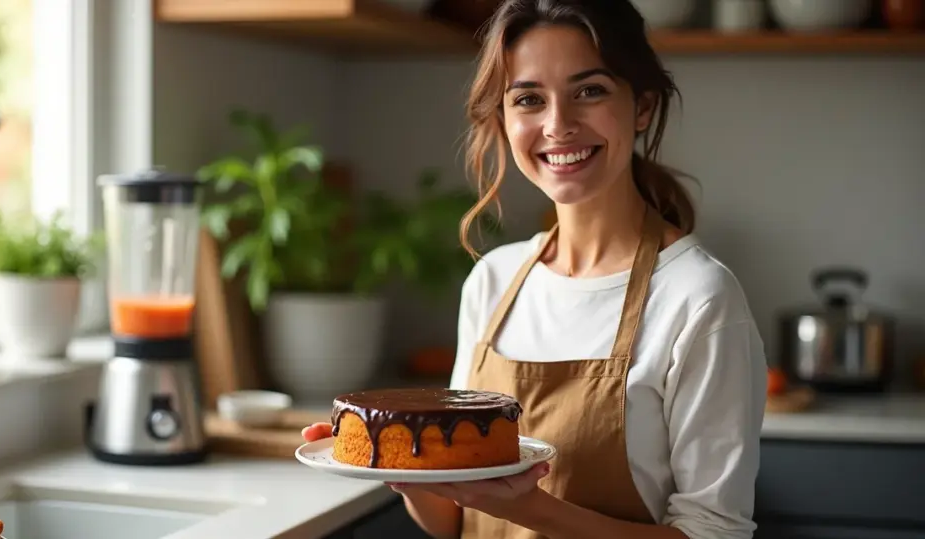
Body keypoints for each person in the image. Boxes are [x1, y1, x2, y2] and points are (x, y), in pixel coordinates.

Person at [302, 0, 768, 537]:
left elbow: (716, 533)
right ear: (502, 118)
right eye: (528, 99)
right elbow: (451, 522)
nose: (558, 125)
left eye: (589, 91)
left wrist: (526, 508)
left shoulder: (698, 298)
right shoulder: (493, 282)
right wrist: (399, 464)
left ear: (641, 106)